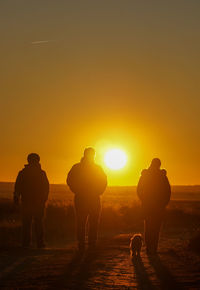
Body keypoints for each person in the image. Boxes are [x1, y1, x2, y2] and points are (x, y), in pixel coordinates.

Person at [67, 147, 107, 252]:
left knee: (90, 222)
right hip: (85, 198)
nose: (91, 156)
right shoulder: (81, 168)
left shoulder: (80, 167)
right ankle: (84, 243)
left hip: (90, 198)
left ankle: (89, 243)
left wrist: (98, 192)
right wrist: (77, 191)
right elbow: (70, 180)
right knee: (83, 221)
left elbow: (103, 181)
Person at [14, 153, 49, 248]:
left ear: (28, 160)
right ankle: (39, 243)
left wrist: (16, 199)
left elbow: (17, 187)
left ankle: (26, 243)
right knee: (38, 223)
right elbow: (46, 188)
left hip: (27, 201)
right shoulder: (41, 173)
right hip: (37, 202)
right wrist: (43, 199)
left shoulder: (23, 173)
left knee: (27, 223)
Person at [137, 158, 171, 255]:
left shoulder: (147, 175)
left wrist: (145, 200)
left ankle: (150, 248)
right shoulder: (161, 176)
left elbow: (139, 190)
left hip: (150, 206)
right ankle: (152, 248)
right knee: (154, 228)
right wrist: (163, 203)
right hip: (156, 207)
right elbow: (167, 191)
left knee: (149, 227)